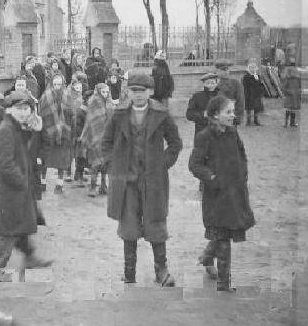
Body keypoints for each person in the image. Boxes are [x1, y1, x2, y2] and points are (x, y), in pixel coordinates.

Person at [101, 73, 182, 286]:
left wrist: (162, 164)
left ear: (151, 92)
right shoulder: (118, 114)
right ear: (127, 91)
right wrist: (114, 166)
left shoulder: (161, 114)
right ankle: (129, 272)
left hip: (153, 181)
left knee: (156, 225)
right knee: (129, 227)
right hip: (127, 182)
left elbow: (175, 143)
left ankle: (161, 271)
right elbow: (106, 143)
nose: (138, 95)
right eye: (134, 91)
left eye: (142, 91)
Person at [189, 95, 256, 292]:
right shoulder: (204, 136)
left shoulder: (233, 132)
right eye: (228, 112)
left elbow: (242, 156)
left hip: (235, 194)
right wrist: (212, 179)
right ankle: (223, 284)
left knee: (222, 234)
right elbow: (194, 165)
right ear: (215, 115)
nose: (232, 115)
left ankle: (206, 258)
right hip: (216, 196)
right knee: (223, 238)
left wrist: (242, 176)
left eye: (233, 111)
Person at [0, 91, 53, 281]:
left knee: (21, 225)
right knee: (5, 231)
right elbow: (5, 163)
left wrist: (35, 131)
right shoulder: (6, 129)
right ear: (9, 110)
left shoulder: (16, 127)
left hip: (18, 188)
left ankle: (30, 257)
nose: (23, 112)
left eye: (27, 108)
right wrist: (21, 182)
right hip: (9, 190)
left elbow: (28, 150)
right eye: (19, 109)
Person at [38, 73, 75, 195]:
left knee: (61, 158)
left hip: (63, 132)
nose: (57, 86)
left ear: (63, 84)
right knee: (45, 158)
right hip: (48, 132)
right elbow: (42, 113)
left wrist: (68, 113)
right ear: (51, 84)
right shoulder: (45, 96)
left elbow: (72, 112)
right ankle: (42, 182)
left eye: (59, 84)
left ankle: (59, 184)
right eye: (55, 84)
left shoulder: (67, 95)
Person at [80, 83, 114, 197]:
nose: (105, 94)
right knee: (95, 164)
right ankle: (93, 187)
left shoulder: (110, 102)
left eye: (107, 92)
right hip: (95, 136)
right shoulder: (93, 102)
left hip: (107, 138)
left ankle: (104, 186)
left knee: (105, 164)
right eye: (103, 92)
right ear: (99, 91)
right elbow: (90, 120)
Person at [186, 72, 220, 137]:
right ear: (204, 84)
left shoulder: (222, 96)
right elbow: (189, 114)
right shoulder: (197, 97)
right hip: (202, 130)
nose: (210, 85)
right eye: (208, 83)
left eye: (213, 83)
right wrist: (203, 114)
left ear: (216, 83)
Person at [215, 61, 244, 125]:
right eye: (223, 70)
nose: (226, 72)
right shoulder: (211, 82)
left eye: (227, 69)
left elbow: (240, 101)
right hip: (215, 118)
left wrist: (237, 116)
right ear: (217, 71)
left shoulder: (235, 83)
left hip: (229, 117)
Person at [242, 59, 266, 126]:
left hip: (256, 94)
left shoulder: (257, 76)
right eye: (251, 67)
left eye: (254, 67)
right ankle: (248, 121)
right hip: (249, 94)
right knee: (249, 108)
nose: (253, 69)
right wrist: (253, 79)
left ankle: (256, 120)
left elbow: (260, 84)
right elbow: (246, 85)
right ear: (248, 68)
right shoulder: (246, 76)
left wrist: (257, 80)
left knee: (257, 107)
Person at [281, 59, 301, 128]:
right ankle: (286, 123)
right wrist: (287, 92)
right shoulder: (288, 78)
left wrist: (299, 92)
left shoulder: (297, 78)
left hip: (295, 96)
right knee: (289, 109)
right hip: (290, 96)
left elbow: (300, 86)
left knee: (293, 109)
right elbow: (283, 87)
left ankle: (292, 123)